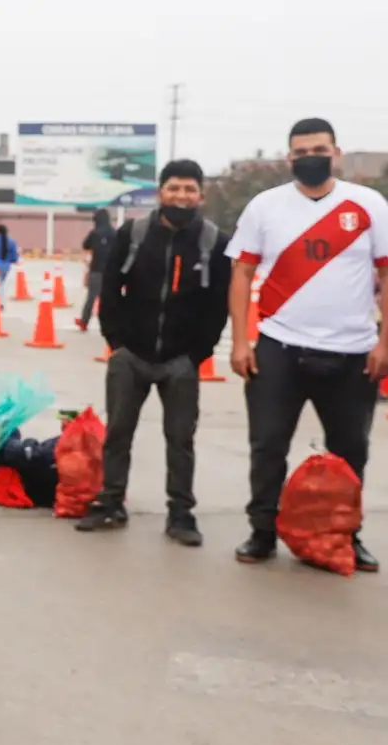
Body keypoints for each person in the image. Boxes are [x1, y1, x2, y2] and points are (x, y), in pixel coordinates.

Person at [228, 118, 386, 572]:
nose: (309, 157)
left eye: (318, 149)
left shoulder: (369, 205)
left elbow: (386, 273)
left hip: (354, 350)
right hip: (279, 347)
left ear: (336, 152)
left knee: (350, 451)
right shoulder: (265, 207)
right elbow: (240, 273)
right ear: (289, 158)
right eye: (300, 152)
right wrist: (242, 341)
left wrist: (383, 343)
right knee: (268, 446)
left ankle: (345, 535)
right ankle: (262, 531)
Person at [74, 161, 230, 545]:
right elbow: (110, 288)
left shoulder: (214, 242)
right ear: (160, 192)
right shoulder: (135, 233)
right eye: (174, 188)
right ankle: (111, 502)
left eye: (189, 189)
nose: (181, 196)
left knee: (180, 439)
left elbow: (217, 305)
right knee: (118, 433)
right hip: (131, 356)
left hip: (181, 362)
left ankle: (181, 513)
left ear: (201, 195)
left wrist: (197, 354)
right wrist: (117, 342)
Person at [79, 208, 116, 329]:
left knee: (91, 297)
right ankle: (111, 324)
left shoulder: (94, 233)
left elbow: (85, 245)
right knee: (110, 299)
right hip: (111, 271)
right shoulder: (114, 233)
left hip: (96, 270)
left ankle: (84, 322)